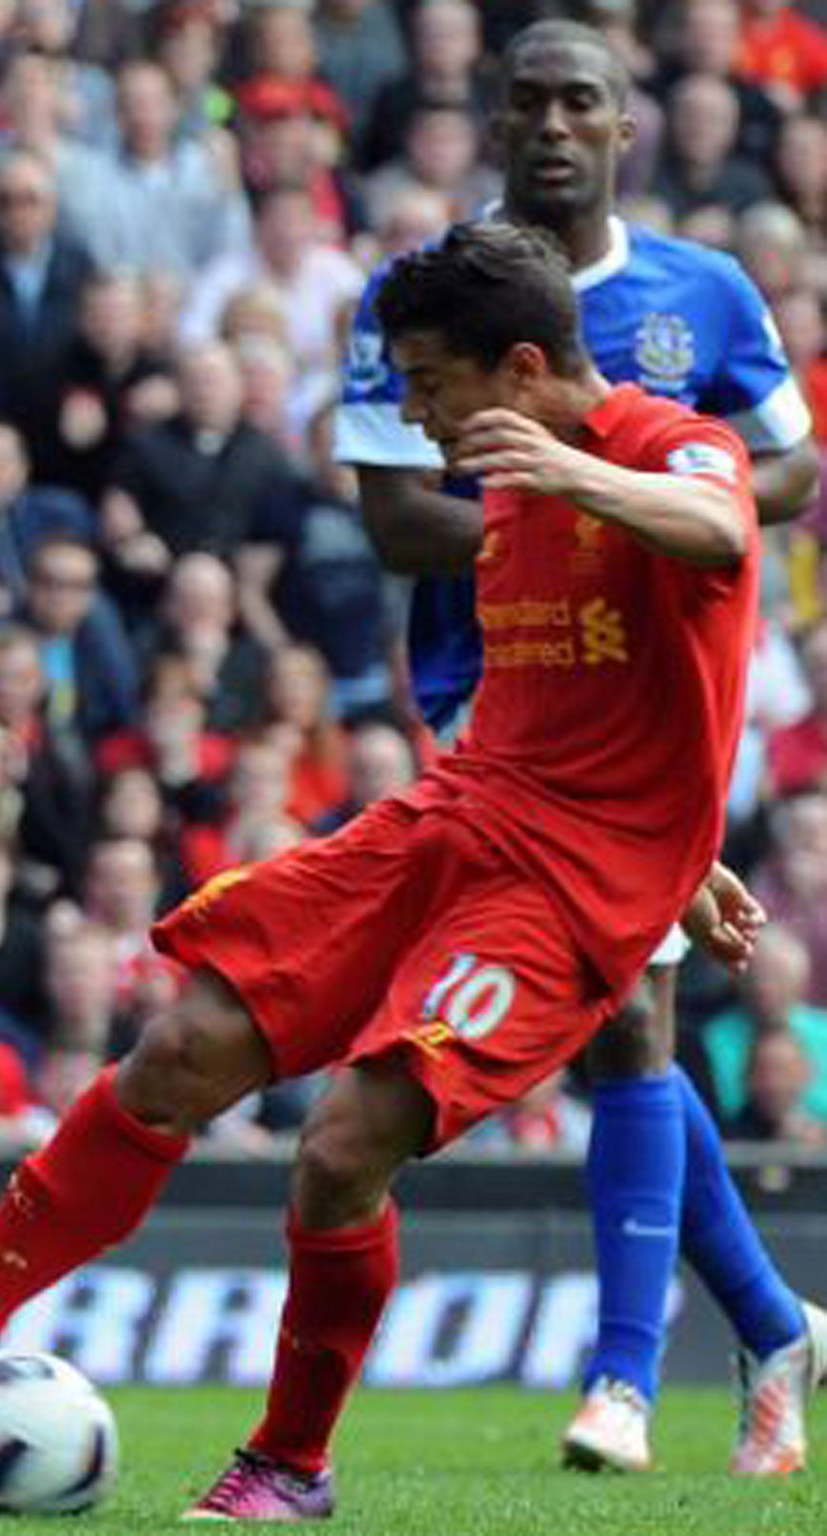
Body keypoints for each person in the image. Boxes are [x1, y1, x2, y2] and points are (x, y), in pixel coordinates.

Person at [0, 222, 772, 1520]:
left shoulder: (655, 444)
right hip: (460, 818)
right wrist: (689, 851)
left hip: (567, 896)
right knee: (177, 1051)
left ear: (520, 367)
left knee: (345, 1141)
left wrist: (657, 851)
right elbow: (591, 696)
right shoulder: (506, 479)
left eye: (427, 380)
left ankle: (287, 1464)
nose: (411, 409)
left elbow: (719, 531)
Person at [335, 21, 826, 1478]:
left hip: (647, 696)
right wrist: (561, 512)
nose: (553, 127)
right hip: (484, 687)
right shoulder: (421, 297)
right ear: (491, 125)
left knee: (622, 1017)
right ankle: (766, 1320)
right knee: (594, 1024)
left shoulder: (704, 291)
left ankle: (622, 1381)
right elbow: (385, 512)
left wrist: (644, 496)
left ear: (627, 127)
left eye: (580, 103)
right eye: (527, 103)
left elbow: (784, 464)